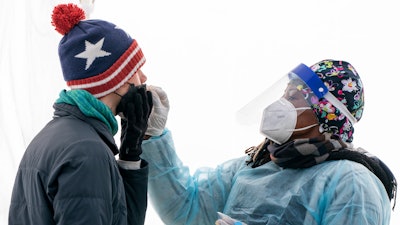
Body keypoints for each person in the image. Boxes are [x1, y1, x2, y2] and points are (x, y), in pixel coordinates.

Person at [140, 59, 397, 224]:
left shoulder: (353, 184)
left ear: (327, 115)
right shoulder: (253, 166)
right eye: (284, 94)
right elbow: (186, 209)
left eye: (295, 98)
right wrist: (153, 136)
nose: (280, 104)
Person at [9, 4, 152, 225]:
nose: (143, 78)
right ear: (115, 80)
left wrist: (130, 156)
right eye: (135, 68)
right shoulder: (87, 152)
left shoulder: (54, 137)